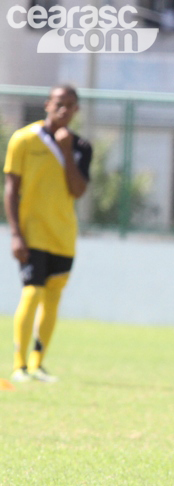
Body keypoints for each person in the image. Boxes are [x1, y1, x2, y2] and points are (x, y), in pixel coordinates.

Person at [4, 84, 91, 383]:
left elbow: (78, 191)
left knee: (53, 298)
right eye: (58, 103)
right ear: (47, 105)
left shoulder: (81, 147)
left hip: (63, 235)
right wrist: (16, 233)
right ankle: (19, 366)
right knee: (32, 292)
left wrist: (66, 151)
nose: (63, 109)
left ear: (76, 110)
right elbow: (11, 190)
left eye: (70, 105)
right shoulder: (24, 139)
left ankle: (37, 364)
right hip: (32, 233)